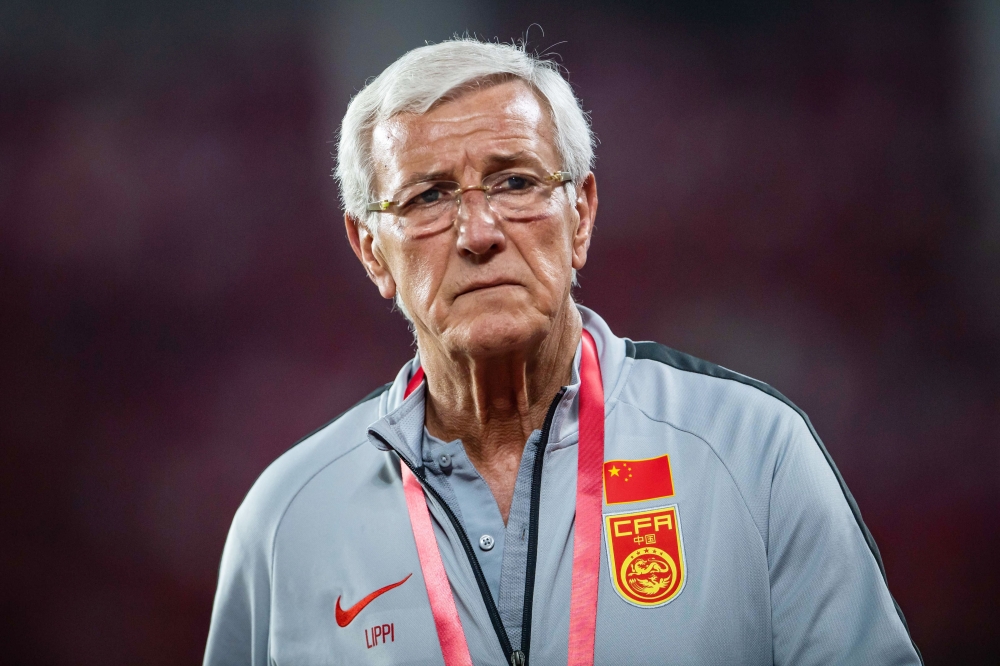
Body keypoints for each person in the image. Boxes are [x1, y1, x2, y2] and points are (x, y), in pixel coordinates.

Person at [203, 38, 922, 666]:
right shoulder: (285, 521)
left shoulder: (752, 453)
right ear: (371, 252)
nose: (477, 231)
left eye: (515, 182)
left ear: (581, 215)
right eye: (427, 197)